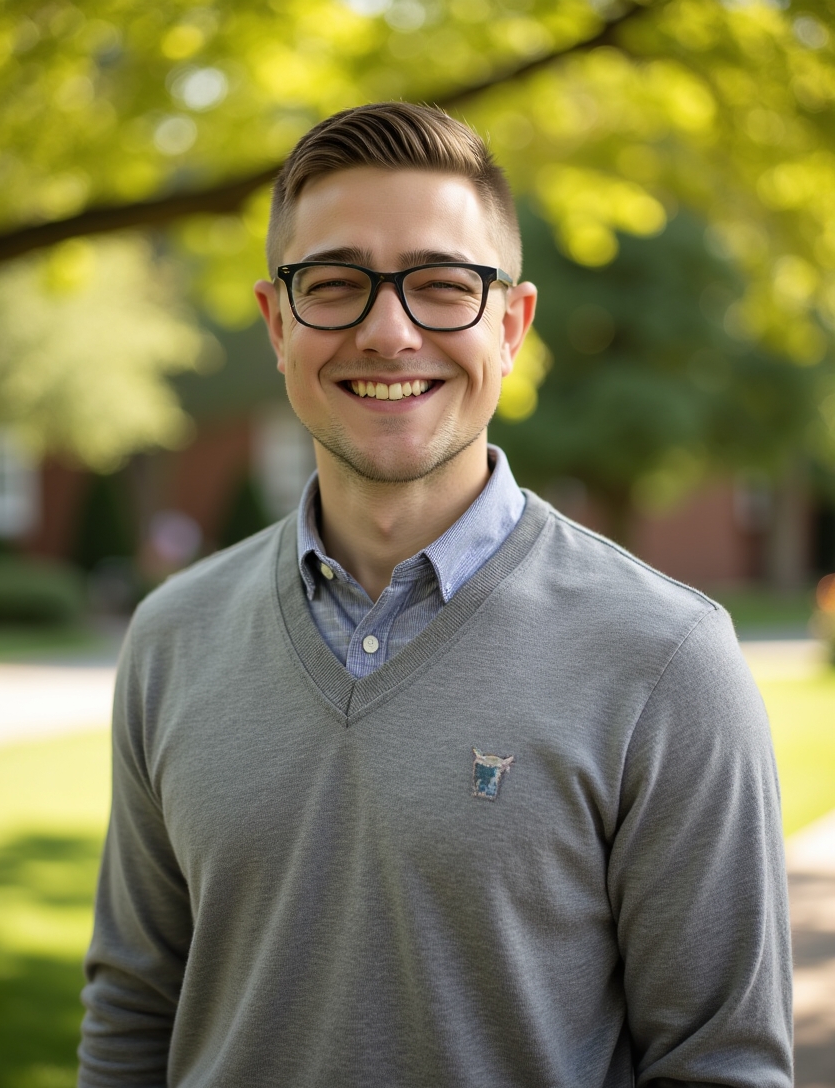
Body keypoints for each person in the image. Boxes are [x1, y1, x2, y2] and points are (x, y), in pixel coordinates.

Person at [78, 102, 792, 1087]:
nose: (387, 330)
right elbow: (131, 1015)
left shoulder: (664, 655)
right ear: (277, 321)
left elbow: (720, 1063)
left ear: (510, 323)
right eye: (334, 285)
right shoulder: (171, 635)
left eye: (440, 286)